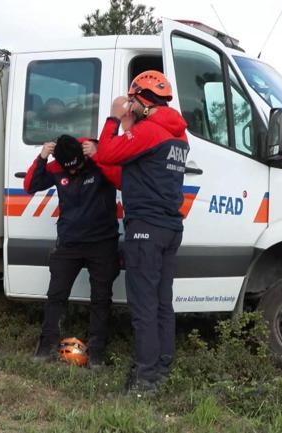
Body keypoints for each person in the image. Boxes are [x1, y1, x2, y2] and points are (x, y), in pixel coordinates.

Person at [94, 71, 189, 394]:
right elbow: (131, 178)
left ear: (138, 99)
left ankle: (146, 378)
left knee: (145, 305)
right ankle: (161, 367)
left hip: (146, 230)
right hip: (169, 228)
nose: (127, 105)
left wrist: (113, 117)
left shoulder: (149, 131)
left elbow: (109, 152)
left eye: (130, 100)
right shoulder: (177, 134)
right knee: (163, 303)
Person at [24, 134, 122, 368]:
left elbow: (121, 180)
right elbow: (29, 186)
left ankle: (97, 353)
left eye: (78, 166)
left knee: (101, 299)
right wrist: (41, 158)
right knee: (55, 295)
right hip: (69, 242)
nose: (74, 171)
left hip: (102, 241)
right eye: (69, 170)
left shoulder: (98, 158)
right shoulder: (58, 166)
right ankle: (46, 346)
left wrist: (99, 155)